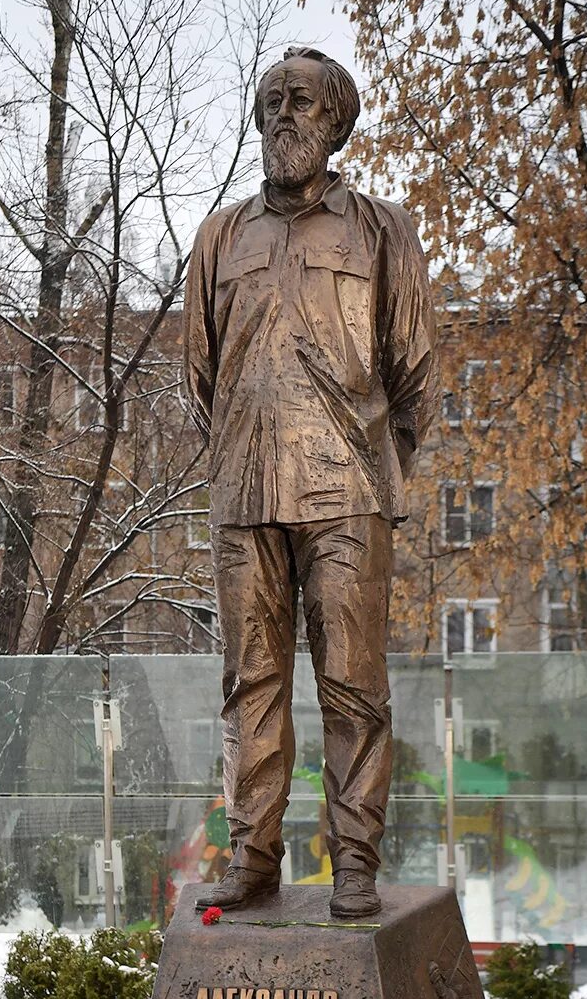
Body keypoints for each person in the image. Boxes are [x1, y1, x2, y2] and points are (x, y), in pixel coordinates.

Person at [183, 47, 439, 917]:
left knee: (353, 684)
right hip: (246, 493)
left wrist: (374, 470)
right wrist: (242, 450)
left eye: (298, 102)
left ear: (335, 123)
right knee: (248, 683)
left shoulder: (382, 230)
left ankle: (355, 859)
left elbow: (415, 377)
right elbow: (201, 379)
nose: (280, 116)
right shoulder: (220, 236)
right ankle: (252, 857)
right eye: (268, 102)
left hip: (349, 495)